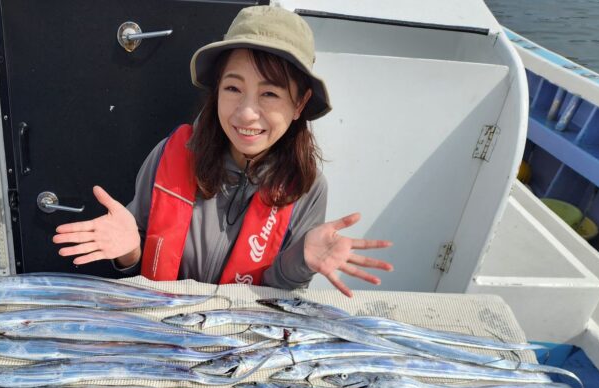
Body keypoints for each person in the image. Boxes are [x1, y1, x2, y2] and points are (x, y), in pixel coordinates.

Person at [52, 5, 392, 296]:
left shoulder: (308, 187)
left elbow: (277, 296)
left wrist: (299, 259)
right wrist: (128, 252)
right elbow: (137, 266)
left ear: (300, 102)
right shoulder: (171, 154)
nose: (246, 113)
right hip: (165, 329)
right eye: (233, 88)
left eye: (269, 94)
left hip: (238, 342)